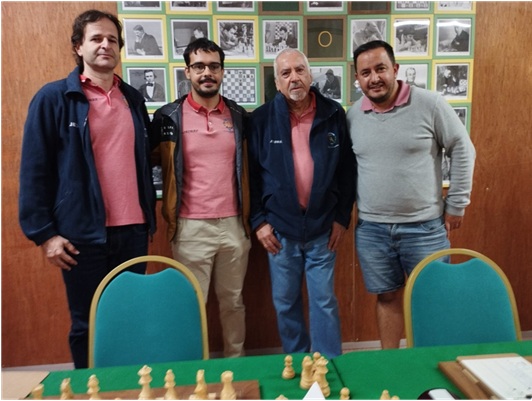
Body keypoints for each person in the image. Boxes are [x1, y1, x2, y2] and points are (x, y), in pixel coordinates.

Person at [18, 9, 157, 368]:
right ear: (78, 47)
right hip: (81, 235)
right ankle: (89, 390)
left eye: (112, 39)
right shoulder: (54, 98)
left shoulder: (133, 99)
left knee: (128, 321)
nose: (105, 45)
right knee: (88, 325)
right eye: (96, 38)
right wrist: (45, 235)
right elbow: (34, 171)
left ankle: (128, 389)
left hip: (133, 231)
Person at [346, 40, 475, 349]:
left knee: (433, 298)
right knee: (386, 297)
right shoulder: (353, 116)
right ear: (357, 78)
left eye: (380, 69)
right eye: (366, 72)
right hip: (373, 230)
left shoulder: (430, 104)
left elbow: (462, 149)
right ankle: (391, 363)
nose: (374, 78)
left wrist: (457, 204)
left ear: (395, 69)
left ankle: (431, 365)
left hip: (424, 228)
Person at [248, 48, 356, 358]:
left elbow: (347, 172)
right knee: (285, 303)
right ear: (277, 82)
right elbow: (251, 177)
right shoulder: (261, 120)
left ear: (310, 74)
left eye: (299, 70)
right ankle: (297, 364)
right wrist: (259, 221)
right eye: (285, 73)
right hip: (279, 231)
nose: (293, 77)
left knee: (324, 301)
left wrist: (341, 218)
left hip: (323, 229)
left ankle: (328, 365)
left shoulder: (333, 114)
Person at [151, 38, 251, 358]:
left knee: (233, 302)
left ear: (222, 71)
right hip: (190, 228)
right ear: (187, 72)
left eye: (214, 66)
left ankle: (236, 366)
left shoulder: (238, 115)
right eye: (199, 67)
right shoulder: (168, 117)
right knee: (192, 304)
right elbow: (148, 162)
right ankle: (195, 370)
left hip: (234, 226)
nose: (207, 73)